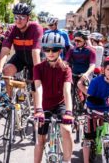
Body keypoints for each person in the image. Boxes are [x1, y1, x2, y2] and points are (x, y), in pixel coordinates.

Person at [33, 32, 74, 163]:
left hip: (60, 104)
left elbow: (67, 90)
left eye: (54, 49)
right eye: (47, 49)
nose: (50, 52)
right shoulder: (38, 68)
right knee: (40, 140)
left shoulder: (66, 69)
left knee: (66, 130)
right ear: (43, 50)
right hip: (44, 105)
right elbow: (38, 88)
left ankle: (67, 160)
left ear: (60, 50)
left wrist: (69, 112)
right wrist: (38, 109)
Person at [0, 3, 43, 109]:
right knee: (6, 71)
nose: (18, 20)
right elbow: (5, 51)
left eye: (22, 17)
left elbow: (35, 53)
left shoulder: (36, 28)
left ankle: (37, 114)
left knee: (35, 87)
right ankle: (12, 101)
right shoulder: (12, 29)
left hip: (34, 59)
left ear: (28, 18)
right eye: (16, 17)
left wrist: (39, 73)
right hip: (20, 57)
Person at [82, 55, 109, 163]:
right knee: (88, 138)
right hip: (92, 110)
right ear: (103, 69)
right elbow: (90, 98)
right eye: (108, 69)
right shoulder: (96, 81)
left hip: (106, 112)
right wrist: (105, 101)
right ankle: (86, 161)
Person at [65, 30, 96, 102]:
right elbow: (66, 62)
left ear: (85, 40)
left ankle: (93, 101)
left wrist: (86, 74)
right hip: (74, 73)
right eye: (75, 40)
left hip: (85, 74)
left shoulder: (91, 51)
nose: (76, 42)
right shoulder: (72, 50)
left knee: (85, 88)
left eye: (79, 40)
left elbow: (92, 65)